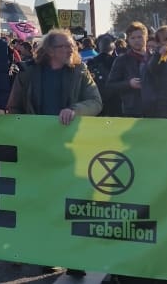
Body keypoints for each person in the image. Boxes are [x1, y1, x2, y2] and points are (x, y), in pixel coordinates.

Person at [7, 29, 102, 277]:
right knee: (43, 204)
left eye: (72, 46)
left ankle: (74, 258)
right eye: (65, 46)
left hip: (71, 150)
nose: (71, 50)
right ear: (49, 49)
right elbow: (14, 108)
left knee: (72, 204)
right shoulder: (27, 73)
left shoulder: (80, 71)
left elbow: (95, 102)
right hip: (38, 150)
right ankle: (46, 254)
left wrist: (75, 110)